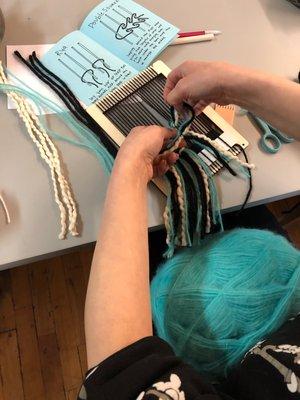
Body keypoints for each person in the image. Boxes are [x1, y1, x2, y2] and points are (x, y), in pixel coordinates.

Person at [79, 61, 300, 400]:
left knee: (158, 236)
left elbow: (122, 374)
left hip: (230, 349)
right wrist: (229, 86)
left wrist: (131, 168)